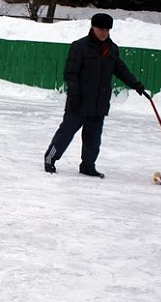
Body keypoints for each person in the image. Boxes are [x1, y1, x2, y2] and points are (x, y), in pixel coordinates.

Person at [44, 13, 146, 178]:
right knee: (66, 133)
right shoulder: (80, 46)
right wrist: (75, 94)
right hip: (79, 102)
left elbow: (120, 69)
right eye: (101, 29)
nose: (104, 32)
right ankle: (50, 159)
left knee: (93, 139)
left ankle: (88, 166)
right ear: (93, 27)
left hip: (99, 103)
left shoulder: (111, 49)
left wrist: (136, 85)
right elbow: (70, 73)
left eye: (107, 29)